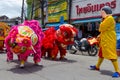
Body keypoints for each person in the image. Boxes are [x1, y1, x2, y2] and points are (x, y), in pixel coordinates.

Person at [90, 6, 120, 78]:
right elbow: (103, 31)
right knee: (101, 54)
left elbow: (101, 28)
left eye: (102, 12)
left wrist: (101, 22)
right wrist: (99, 37)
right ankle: (97, 66)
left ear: (107, 12)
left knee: (111, 55)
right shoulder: (106, 19)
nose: (101, 14)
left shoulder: (109, 18)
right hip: (104, 40)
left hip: (109, 40)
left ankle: (118, 71)